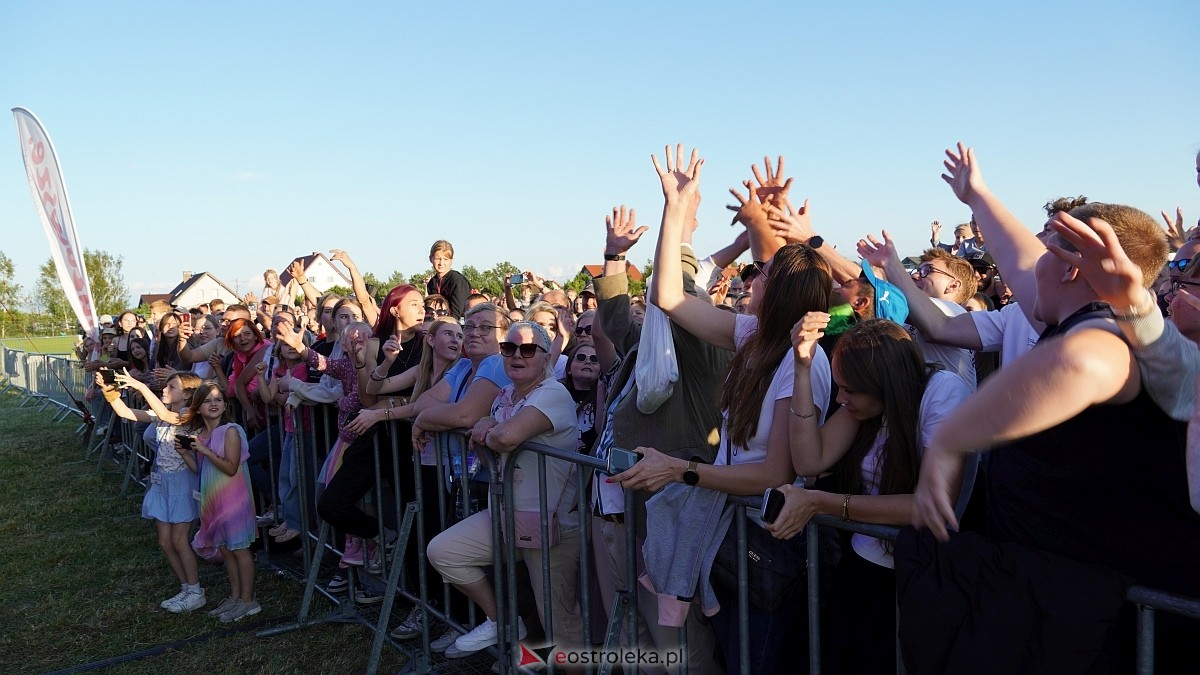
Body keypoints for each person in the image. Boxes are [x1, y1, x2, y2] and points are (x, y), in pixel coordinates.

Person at [913, 143, 1197, 671]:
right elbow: (1023, 259)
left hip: (1095, 635)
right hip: (1063, 612)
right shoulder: (1077, 312)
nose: (1028, 268)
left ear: (1069, 270)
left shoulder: (1110, 337)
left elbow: (1082, 365)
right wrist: (977, 196)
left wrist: (952, 438)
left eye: (1051, 252)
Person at [611, 146, 833, 674]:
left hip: (767, 540)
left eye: (760, 273)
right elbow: (668, 296)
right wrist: (674, 206)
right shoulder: (754, 336)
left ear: (778, 293)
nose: (746, 278)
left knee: (757, 658)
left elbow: (777, 472)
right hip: (730, 531)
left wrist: (682, 471)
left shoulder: (804, 363)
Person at [769, 317, 974, 673]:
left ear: (884, 384)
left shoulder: (942, 392)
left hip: (915, 582)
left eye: (849, 390)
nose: (839, 398)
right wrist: (801, 367)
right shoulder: (866, 402)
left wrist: (822, 502)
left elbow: (932, 504)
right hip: (862, 571)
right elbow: (808, 461)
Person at [427, 321, 584, 656]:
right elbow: (490, 453)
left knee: (558, 620)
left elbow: (505, 438)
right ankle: (501, 621)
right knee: (444, 551)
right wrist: (490, 428)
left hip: (551, 525)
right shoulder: (505, 396)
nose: (517, 355)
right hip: (507, 516)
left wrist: (489, 427)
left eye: (528, 349)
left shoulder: (553, 393)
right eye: (509, 347)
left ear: (545, 358)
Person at [96, 369, 205, 613]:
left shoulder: (189, 416)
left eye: (171, 387)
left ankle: (196, 591)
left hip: (182, 485)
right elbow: (126, 412)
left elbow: (168, 415)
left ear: (187, 395)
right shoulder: (160, 416)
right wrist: (109, 391)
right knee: (166, 542)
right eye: (164, 387)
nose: (164, 391)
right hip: (162, 483)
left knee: (179, 540)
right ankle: (186, 587)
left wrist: (141, 386)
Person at [176, 383, 260, 623]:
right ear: (198, 408)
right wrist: (187, 455)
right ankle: (235, 597)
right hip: (213, 500)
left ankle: (248, 600)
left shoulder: (231, 430)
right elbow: (202, 471)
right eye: (207, 401)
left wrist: (205, 450)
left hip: (233, 499)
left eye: (218, 399)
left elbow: (231, 467)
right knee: (225, 549)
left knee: (239, 548)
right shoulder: (201, 435)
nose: (214, 404)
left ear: (225, 404)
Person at [426, 240, 471, 319]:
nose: (441, 263)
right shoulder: (432, 283)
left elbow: (457, 313)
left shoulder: (457, 281)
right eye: (438, 258)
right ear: (431, 259)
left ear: (451, 260)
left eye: (445, 259)